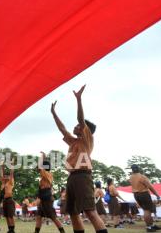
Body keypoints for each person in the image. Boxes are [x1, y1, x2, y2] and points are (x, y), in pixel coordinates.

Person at [51, 85, 108, 233]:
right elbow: (62, 129)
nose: (75, 127)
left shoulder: (87, 139)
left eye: (78, 126)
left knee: (90, 212)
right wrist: (53, 113)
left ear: (85, 129)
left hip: (83, 176)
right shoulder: (74, 141)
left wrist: (79, 99)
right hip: (72, 177)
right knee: (73, 213)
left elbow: (80, 119)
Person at [34, 152, 65, 233]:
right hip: (43, 198)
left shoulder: (47, 174)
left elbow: (39, 166)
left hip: (47, 198)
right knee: (38, 215)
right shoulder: (46, 174)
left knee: (53, 217)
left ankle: (62, 231)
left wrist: (42, 156)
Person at [130, 164, 161, 232]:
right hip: (143, 194)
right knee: (147, 211)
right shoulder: (142, 177)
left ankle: (152, 225)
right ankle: (149, 227)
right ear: (138, 168)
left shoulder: (131, 177)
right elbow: (150, 187)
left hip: (136, 194)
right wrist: (156, 194)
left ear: (132, 169)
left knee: (147, 210)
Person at [0, 160, 16, 233]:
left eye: (7, 176)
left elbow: (11, 173)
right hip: (5, 201)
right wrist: (1, 165)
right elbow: (1, 174)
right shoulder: (3, 183)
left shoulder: (10, 182)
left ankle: (12, 229)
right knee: (6, 216)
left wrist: (12, 164)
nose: (6, 177)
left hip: (10, 200)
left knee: (10, 216)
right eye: (5, 176)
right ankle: (9, 229)